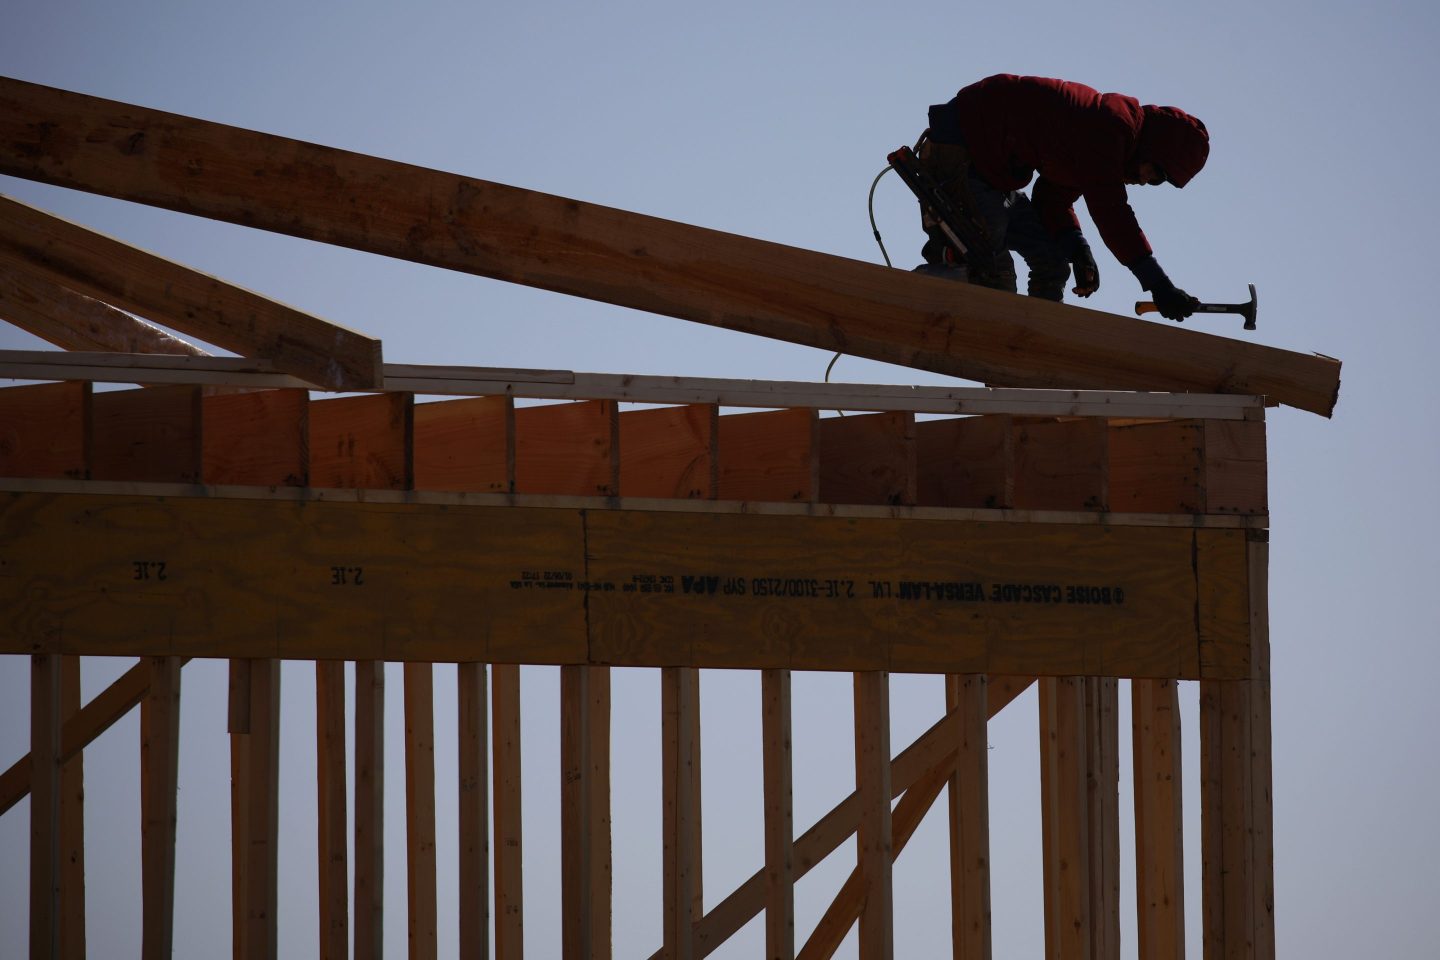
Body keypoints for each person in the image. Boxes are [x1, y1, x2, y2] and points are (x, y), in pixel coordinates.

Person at [913, 74, 1209, 320]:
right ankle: (921, 293)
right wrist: (1159, 285)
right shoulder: (1110, 127)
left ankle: (1032, 349)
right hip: (961, 152)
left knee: (1053, 261)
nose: (1147, 181)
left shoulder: (1097, 143)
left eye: (1158, 183)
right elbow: (1112, 212)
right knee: (991, 274)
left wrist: (1076, 249)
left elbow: (1052, 199)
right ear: (1153, 148)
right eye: (1156, 173)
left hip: (993, 172)